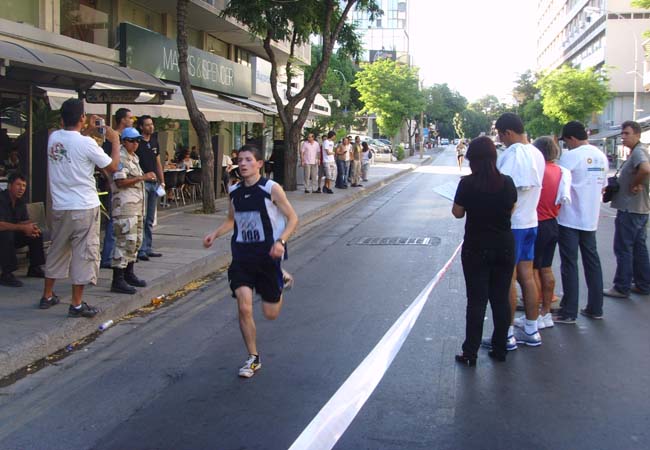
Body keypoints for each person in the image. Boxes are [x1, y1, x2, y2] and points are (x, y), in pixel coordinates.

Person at [203, 144, 298, 378]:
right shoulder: (234, 191)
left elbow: (293, 218)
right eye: (240, 160)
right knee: (244, 307)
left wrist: (281, 242)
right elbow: (231, 220)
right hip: (242, 257)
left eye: (248, 160)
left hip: (267, 256)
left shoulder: (271, 188)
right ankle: (253, 357)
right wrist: (215, 234)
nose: (243, 164)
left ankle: (281, 280)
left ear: (259, 164)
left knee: (270, 313)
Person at [41, 98, 120, 316]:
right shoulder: (87, 144)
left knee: (57, 250)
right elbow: (113, 166)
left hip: (60, 206)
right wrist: (115, 140)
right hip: (84, 206)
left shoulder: (54, 138)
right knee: (84, 254)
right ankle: (76, 303)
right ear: (82, 118)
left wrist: (86, 130)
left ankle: (47, 295)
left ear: (61, 118)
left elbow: (72, 140)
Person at [453, 137, 517, 366]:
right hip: (504, 245)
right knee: (500, 299)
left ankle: (470, 352)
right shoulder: (507, 182)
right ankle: (500, 348)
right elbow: (512, 208)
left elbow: (457, 213)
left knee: (476, 301)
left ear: (472, 159)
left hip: (476, 246)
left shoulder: (467, 184)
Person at [494, 113, 545, 348]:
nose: (500, 140)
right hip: (531, 221)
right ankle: (532, 330)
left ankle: (506, 334)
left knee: (507, 279)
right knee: (527, 275)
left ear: (508, 133)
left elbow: (503, 192)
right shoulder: (537, 153)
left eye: (500, 135)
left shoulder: (512, 155)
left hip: (512, 225)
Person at [555, 121, 607, 322]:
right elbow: (603, 185)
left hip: (570, 217)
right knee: (592, 262)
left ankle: (569, 311)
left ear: (572, 138)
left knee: (569, 264)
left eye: (566, 141)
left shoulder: (571, 157)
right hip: (591, 217)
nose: (567, 145)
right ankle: (596, 307)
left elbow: (559, 184)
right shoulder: (601, 156)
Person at [525, 136, 570, 330]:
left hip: (538, 222)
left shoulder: (539, 171)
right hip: (553, 222)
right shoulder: (561, 171)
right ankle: (546, 312)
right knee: (546, 268)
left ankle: (534, 315)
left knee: (532, 271)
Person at [604, 120, 650, 298]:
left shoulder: (639, 152)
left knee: (624, 248)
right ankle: (642, 283)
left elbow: (645, 169)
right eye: (622, 133)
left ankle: (621, 286)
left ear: (637, 134)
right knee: (638, 248)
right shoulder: (638, 151)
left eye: (627, 133)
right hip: (638, 209)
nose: (623, 137)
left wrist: (634, 184)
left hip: (631, 209)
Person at [110, 127, 151, 294]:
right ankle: (118, 278)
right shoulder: (120, 157)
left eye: (138, 141)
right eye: (132, 141)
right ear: (124, 141)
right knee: (124, 241)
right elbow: (120, 182)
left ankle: (129, 272)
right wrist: (142, 177)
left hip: (137, 206)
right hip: (125, 207)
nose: (135, 144)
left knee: (135, 240)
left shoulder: (134, 157)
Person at [100, 108, 133, 269]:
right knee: (113, 222)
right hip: (114, 185)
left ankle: (117, 255)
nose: (132, 120)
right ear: (122, 120)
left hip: (125, 186)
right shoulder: (111, 139)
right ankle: (107, 257)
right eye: (130, 117)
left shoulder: (125, 138)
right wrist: (109, 178)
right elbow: (103, 163)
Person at [0, 172, 46, 288]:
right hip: (3, 237)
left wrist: (31, 226)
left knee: (36, 234)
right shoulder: (1, 199)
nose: (21, 188)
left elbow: (23, 221)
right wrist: (23, 227)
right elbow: (1, 225)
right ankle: (7, 274)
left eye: (24, 185)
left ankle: (34, 268)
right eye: (18, 185)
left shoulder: (20, 201)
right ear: (10, 186)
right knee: (6, 235)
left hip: (12, 235)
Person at [135, 115, 164, 261]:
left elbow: (158, 162)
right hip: (143, 182)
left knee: (150, 218)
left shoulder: (154, 141)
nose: (151, 127)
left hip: (154, 182)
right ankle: (140, 249)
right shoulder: (137, 142)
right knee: (143, 216)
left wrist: (162, 180)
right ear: (141, 127)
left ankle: (147, 247)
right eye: (147, 125)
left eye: (151, 124)